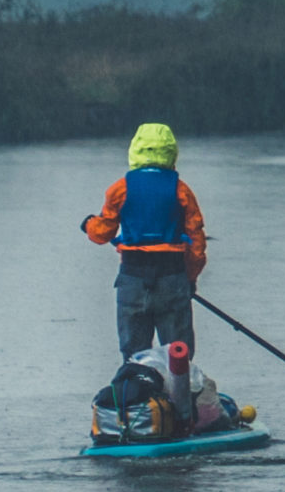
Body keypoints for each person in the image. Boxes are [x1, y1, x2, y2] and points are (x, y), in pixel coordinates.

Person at [81, 122, 206, 358]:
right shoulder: (181, 191)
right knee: (178, 354)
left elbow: (101, 234)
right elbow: (196, 243)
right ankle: (178, 393)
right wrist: (190, 279)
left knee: (134, 353)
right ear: (171, 152)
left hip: (133, 279)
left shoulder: (120, 189)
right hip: (172, 279)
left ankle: (139, 388)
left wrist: (89, 224)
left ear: (135, 150)